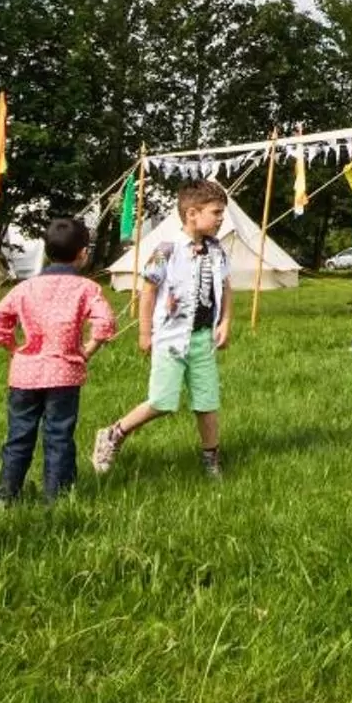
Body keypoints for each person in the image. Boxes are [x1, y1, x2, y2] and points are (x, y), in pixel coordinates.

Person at [91, 180, 232, 482]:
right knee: (162, 402)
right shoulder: (166, 250)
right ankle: (114, 433)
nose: (221, 218)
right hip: (170, 339)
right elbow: (148, 292)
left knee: (207, 402)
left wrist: (225, 322)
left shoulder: (218, 251)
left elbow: (226, 286)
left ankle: (211, 459)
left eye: (222, 213)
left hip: (202, 339)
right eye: (216, 212)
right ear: (192, 213)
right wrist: (145, 334)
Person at [0, 216, 115, 505]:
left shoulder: (24, 288)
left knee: (19, 435)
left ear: (45, 251)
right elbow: (105, 322)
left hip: (24, 375)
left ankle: (5, 495)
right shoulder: (86, 289)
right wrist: (87, 350)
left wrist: (12, 347)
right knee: (58, 436)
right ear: (83, 254)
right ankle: (56, 498)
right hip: (64, 375)